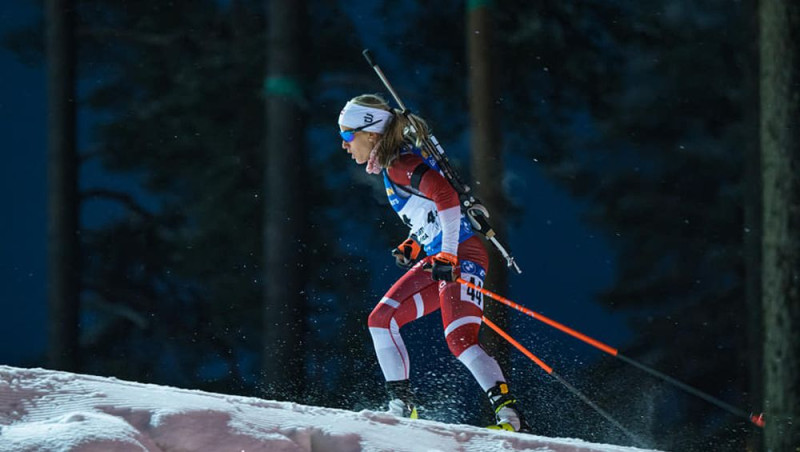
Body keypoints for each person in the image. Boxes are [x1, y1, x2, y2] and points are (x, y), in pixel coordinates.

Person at [337, 93, 530, 432]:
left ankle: (509, 416)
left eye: (347, 136)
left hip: (462, 254)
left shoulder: (400, 163)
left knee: (460, 338)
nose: (344, 145)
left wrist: (448, 254)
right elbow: (432, 214)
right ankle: (401, 404)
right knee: (381, 319)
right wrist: (415, 244)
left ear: (370, 133)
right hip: (440, 255)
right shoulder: (393, 166)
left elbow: (446, 196)